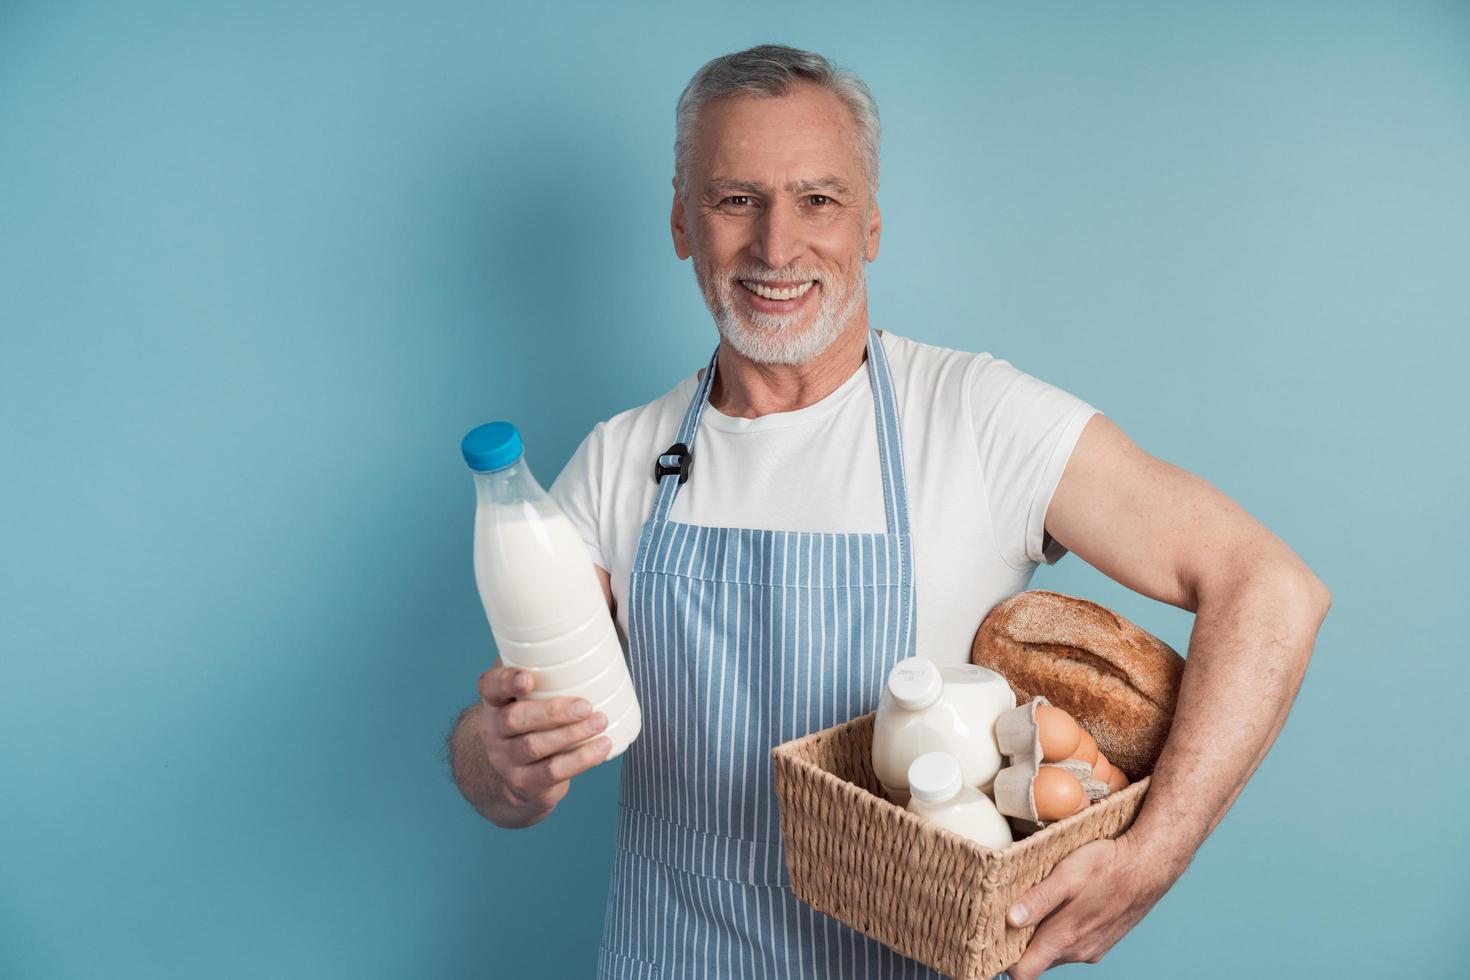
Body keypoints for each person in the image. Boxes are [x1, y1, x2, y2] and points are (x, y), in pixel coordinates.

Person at [448, 44, 1331, 979]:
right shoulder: (618, 462)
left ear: (871, 223)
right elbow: (514, 759)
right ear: (681, 221)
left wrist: (1154, 856)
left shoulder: (978, 419)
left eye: (818, 200)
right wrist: (496, 756)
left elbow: (1270, 587)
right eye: (735, 199)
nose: (777, 247)